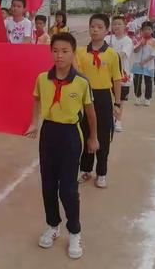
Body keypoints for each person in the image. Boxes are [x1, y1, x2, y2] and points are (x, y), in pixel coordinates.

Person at [25, 33, 99, 260]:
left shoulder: (81, 81)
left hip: (70, 135)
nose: (59, 55)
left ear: (73, 53)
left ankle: (74, 231)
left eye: (65, 51)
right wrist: (34, 123)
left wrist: (93, 138)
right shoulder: (41, 78)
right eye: (55, 51)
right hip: (48, 133)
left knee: (67, 188)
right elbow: (36, 99)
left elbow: (90, 112)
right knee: (48, 183)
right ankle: (52, 225)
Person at [76, 14, 122, 188]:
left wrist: (117, 103)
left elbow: (116, 79)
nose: (95, 30)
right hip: (85, 97)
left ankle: (101, 172)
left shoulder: (111, 55)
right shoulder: (80, 52)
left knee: (102, 136)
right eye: (92, 26)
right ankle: (85, 169)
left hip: (103, 98)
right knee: (86, 133)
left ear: (106, 30)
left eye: (99, 27)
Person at [105, 15, 133, 132]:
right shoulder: (107, 39)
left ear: (124, 26)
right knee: (108, 97)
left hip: (122, 74)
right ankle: (110, 119)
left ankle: (118, 121)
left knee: (120, 99)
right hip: (106, 73)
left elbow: (122, 56)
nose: (116, 26)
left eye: (119, 24)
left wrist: (110, 53)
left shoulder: (128, 41)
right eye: (114, 24)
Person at [131, 21, 155, 106]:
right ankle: (138, 97)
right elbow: (134, 50)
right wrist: (140, 45)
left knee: (148, 82)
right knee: (137, 81)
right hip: (137, 65)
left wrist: (145, 61)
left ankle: (147, 98)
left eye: (149, 29)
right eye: (145, 29)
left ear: (152, 30)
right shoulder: (137, 39)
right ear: (141, 30)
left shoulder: (154, 41)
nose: (147, 31)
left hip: (149, 65)